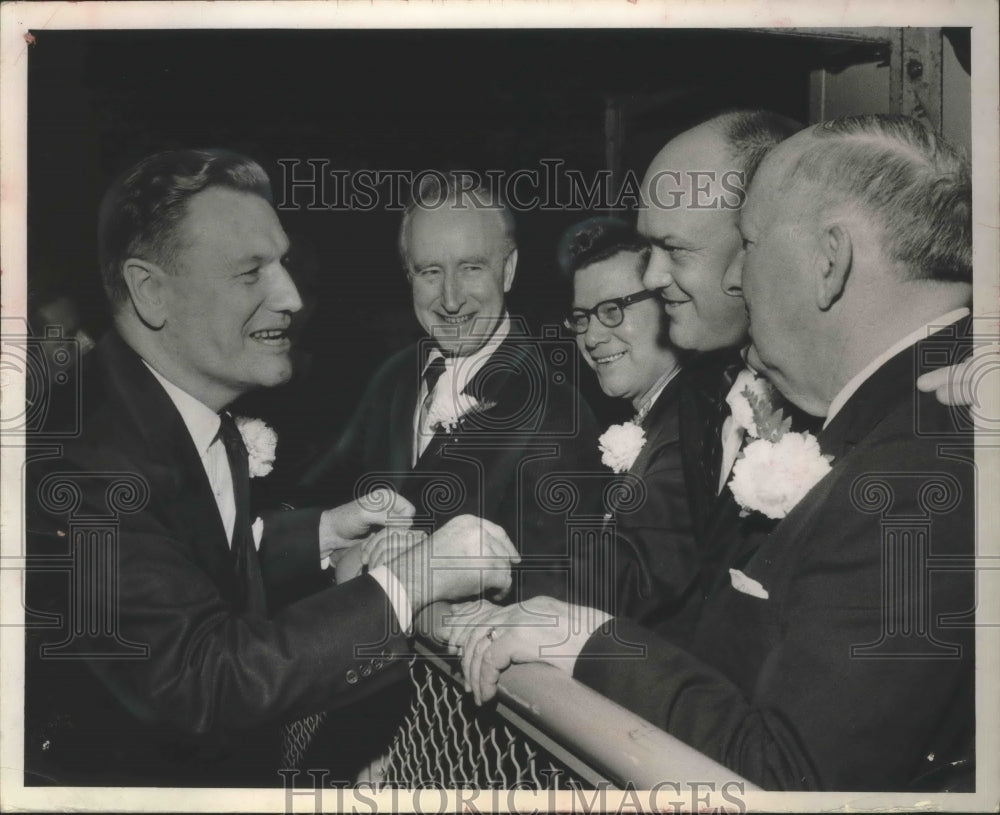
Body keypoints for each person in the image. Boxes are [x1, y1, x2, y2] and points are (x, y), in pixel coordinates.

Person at [446, 114, 976, 792]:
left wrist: (585, 640)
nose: (735, 276)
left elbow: (789, 778)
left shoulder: (914, 468)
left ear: (829, 260)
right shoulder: (919, 410)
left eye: (749, 244)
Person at [24, 148, 519, 787]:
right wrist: (414, 580)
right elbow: (205, 679)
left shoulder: (180, 411)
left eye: (281, 262)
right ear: (151, 291)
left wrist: (323, 532)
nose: (290, 296)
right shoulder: (84, 464)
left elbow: (184, 560)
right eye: (251, 271)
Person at [300, 172, 603, 604]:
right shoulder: (394, 376)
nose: (451, 298)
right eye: (430, 272)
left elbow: (559, 589)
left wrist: (428, 569)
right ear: (408, 275)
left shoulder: (557, 413)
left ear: (509, 270)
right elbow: (320, 495)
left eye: (471, 268)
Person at [557, 216, 694, 626]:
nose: (592, 338)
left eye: (613, 311)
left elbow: (629, 587)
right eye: (582, 318)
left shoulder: (691, 428)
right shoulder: (654, 418)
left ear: (667, 304)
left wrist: (487, 563)